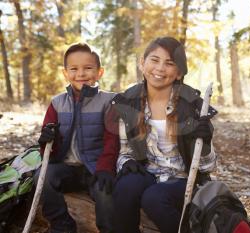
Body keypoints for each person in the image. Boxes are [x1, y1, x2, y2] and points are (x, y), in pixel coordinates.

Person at [107, 36, 217, 233]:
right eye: (154, 60)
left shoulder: (194, 108)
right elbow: (125, 152)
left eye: (169, 63)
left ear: (179, 72)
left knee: (154, 198)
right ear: (142, 63)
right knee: (125, 187)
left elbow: (208, 166)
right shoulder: (128, 103)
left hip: (183, 179)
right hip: (147, 172)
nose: (160, 68)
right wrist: (126, 163)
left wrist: (206, 142)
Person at [36, 42, 119, 233]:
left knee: (105, 191)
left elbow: (112, 139)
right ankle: (62, 225)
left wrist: (106, 168)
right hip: (67, 167)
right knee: (43, 176)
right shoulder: (57, 103)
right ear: (65, 73)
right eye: (74, 69)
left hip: (96, 167)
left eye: (88, 68)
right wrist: (46, 140)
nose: (81, 74)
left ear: (99, 72)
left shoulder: (108, 101)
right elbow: (49, 147)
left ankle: (108, 229)